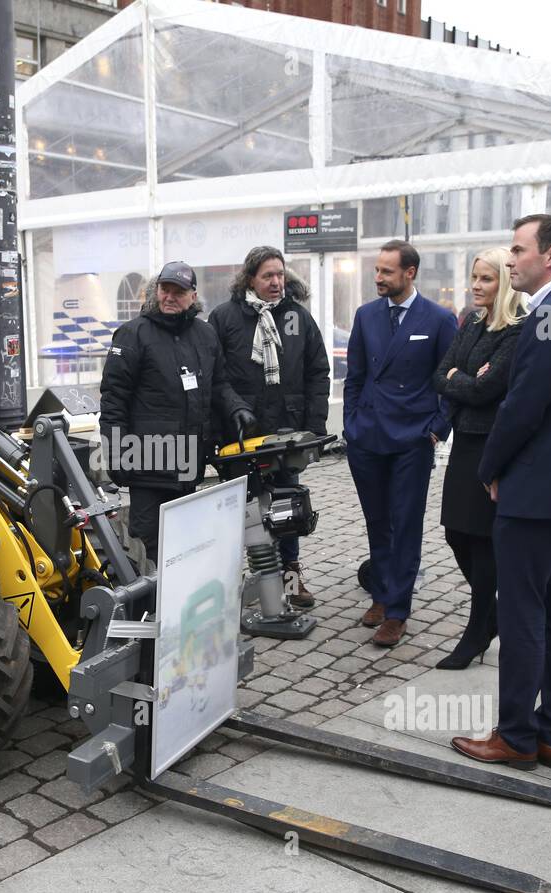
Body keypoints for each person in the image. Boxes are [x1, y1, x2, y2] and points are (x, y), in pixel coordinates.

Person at [451, 214, 551, 771]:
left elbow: (524, 406)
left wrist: (490, 467)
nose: (511, 259)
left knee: (523, 614)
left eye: (518, 250)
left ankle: (517, 737)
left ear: (550, 256)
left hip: (534, 489)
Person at [98, 261, 255, 566]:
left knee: (184, 547)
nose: (169, 297)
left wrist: (237, 407)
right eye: (164, 289)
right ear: (155, 291)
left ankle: (181, 609)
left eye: (178, 292)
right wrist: (116, 458)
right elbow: (113, 401)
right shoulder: (133, 335)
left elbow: (219, 383)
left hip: (188, 468)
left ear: (193, 296)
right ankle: (147, 610)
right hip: (147, 468)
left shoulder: (205, 334)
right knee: (148, 552)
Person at [343, 240, 458, 647]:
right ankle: (380, 592)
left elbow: (451, 381)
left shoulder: (439, 319)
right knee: (377, 520)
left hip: (412, 438)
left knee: (405, 523)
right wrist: (351, 424)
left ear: (410, 273)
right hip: (368, 437)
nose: (378, 278)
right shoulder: (366, 315)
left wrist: (436, 428)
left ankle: (397, 611)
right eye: (376, 270)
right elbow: (354, 376)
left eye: (386, 272)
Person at [208, 246, 330, 608]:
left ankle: (291, 580)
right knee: (240, 509)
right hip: (241, 434)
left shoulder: (297, 317)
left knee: (287, 507)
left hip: (287, 432)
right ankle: (243, 580)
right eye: (268, 276)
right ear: (250, 279)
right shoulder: (225, 318)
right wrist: (234, 411)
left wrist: (314, 427)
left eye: (280, 274)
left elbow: (317, 372)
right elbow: (216, 376)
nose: (277, 282)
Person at [431, 248, 526, 669]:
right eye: (474, 278)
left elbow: (489, 390)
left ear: (502, 282)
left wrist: (461, 381)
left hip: (493, 444)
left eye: (485, 279)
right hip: (465, 443)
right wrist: (465, 379)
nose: (475, 286)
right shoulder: (470, 321)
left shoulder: (518, 329)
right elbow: (441, 374)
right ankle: (492, 616)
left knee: (482, 542)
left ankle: (477, 631)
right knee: (455, 533)